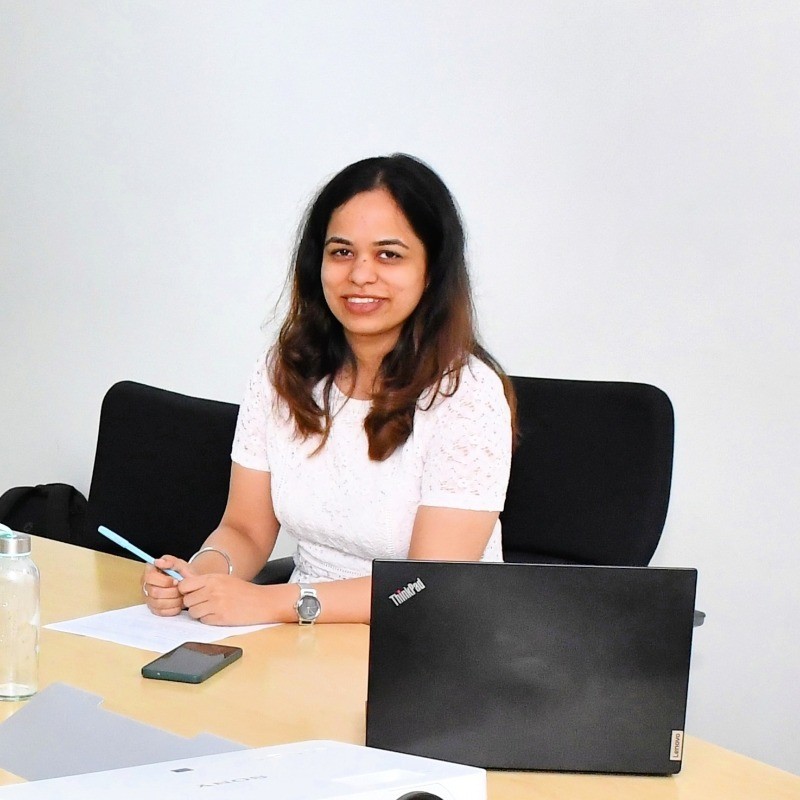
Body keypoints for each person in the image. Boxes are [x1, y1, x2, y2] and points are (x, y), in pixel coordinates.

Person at [143, 153, 516, 626]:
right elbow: (246, 528)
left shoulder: (468, 395)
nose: (360, 275)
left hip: (431, 645)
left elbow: (425, 585)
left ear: (432, 269)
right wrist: (202, 574)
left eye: (389, 254)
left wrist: (273, 602)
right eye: (341, 252)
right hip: (305, 638)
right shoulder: (282, 372)